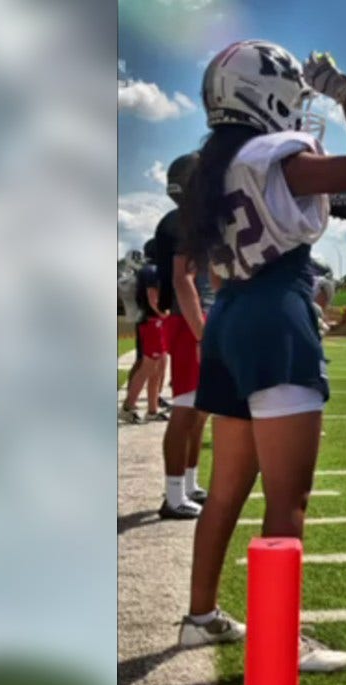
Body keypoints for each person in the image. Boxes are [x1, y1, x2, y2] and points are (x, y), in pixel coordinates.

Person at [177, 42, 346, 674]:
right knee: (288, 494)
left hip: (230, 316)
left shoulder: (207, 167)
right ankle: (279, 638)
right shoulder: (273, 156)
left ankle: (201, 615)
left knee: (228, 489)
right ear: (264, 95)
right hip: (275, 312)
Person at [151, 153, 213, 519]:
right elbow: (182, 279)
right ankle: (173, 495)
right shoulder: (185, 222)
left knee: (198, 411)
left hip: (191, 318)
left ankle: (188, 483)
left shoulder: (178, 219)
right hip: (190, 319)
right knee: (185, 409)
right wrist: (202, 334)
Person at [121, 241, 170, 423]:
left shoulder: (148, 269)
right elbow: (153, 299)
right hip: (152, 322)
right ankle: (128, 407)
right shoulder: (151, 270)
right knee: (148, 367)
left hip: (151, 322)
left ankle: (152, 409)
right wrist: (166, 315)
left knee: (156, 368)